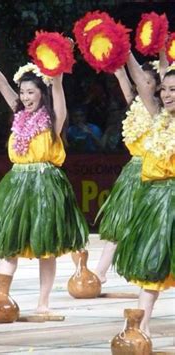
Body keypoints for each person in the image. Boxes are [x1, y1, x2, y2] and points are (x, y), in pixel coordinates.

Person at [0, 62, 88, 314]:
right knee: (9, 242)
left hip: (45, 186)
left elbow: (58, 91)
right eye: (23, 92)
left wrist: (57, 75)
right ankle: (0, 295)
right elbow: (1, 84)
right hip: (17, 185)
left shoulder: (52, 120)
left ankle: (43, 302)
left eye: (31, 92)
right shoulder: (18, 114)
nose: (25, 97)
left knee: (45, 246)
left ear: (42, 92)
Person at [113, 55, 175, 336]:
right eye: (164, 89)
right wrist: (124, 51)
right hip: (157, 199)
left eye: (173, 89)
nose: (166, 94)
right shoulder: (158, 116)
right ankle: (142, 326)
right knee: (153, 262)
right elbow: (139, 80)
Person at [95, 60, 164, 284]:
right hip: (133, 172)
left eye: (147, 80)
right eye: (139, 80)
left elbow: (162, 70)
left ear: (157, 86)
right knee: (119, 222)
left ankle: (152, 271)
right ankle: (100, 272)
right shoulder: (134, 103)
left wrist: (163, 52)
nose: (141, 83)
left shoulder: (161, 110)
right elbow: (122, 76)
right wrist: (115, 51)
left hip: (154, 172)